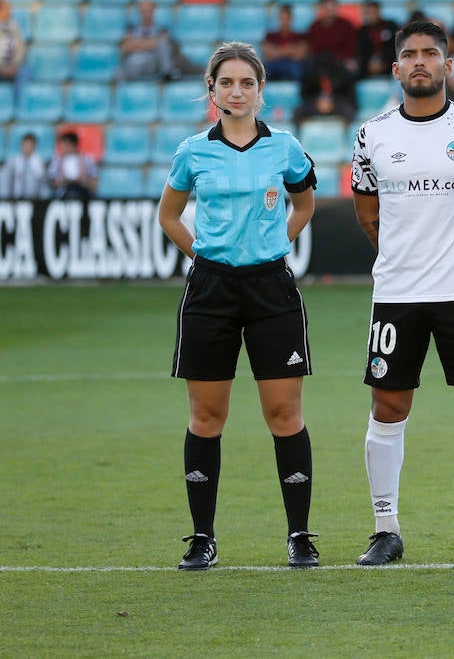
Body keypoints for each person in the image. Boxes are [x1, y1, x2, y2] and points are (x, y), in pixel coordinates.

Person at [348, 18, 454, 566]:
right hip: (397, 293)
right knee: (388, 405)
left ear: (448, 64)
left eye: (430, 53)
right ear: (396, 68)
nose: (420, 62)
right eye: (410, 54)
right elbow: (367, 213)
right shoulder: (372, 135)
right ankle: (385, 529)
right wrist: (403, 258)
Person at [157, 42, 319, 572]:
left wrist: (279, 243)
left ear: (260, 91)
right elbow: (170, 215)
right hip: (211, 291)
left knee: (284, 414)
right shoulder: (192, 151)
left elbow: (305, 201)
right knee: (207, 416)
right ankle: (202, 538)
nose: (236, 91)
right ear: (212, 91)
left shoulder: (286, 148)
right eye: (226, 82)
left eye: (246, 83)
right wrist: (202, 255)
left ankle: (299, 535)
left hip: (271, 289)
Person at [120, 0, 184, 81]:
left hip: (153, 63)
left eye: (148, 10)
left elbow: (164, 44)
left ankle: (167, 73)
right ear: (139, 12)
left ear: (153, 10)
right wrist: (154, 43)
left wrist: (137, 44)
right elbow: (126, 46)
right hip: (134, 64)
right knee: (120, 73)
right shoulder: (131, 29)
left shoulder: (162, 30)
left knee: (163, 45)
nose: (146, 14)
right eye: (143, 11)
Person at [263, 4, 309, 82]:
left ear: (291, 19)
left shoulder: (300, 36)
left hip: (293, 65)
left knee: (299, 71)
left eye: (287, 18)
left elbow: (300, 55)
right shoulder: (270, 35)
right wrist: (290, 50)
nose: (284, 21)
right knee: (263, 72)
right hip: (274, 64)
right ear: (278, 19)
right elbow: (268, 55)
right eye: (282, 18)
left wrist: (277, 51)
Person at [0, 132, 50, 199]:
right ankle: (4, 202)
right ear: (21, 144)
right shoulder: (14, 160)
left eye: (30, 144)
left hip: (34, 197)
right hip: (16, 196)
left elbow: (42, 180)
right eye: (25, 144)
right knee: (3, 173)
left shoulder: (40, 162)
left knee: (31, 176)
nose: (27, 147)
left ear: (35, 145)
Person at [49, 131, 99, 201]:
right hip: (63, 193)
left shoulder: (87, 159)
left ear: (73, 144)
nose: (63, 147)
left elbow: (94, 180)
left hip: (83, 192)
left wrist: (83, 182)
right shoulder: (57, 161)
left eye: (65, 144)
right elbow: (52, 181)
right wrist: (63, 182)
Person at [357, 0, 399, 80]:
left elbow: (396, 47)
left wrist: (385, 63)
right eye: (368, 12)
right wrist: (367, 65)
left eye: (374, 11)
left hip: (389, 64)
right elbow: (361, 51)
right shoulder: (362, 31)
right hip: (367, 67)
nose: (371, 14)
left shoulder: (391, 26)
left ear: (379, 11)